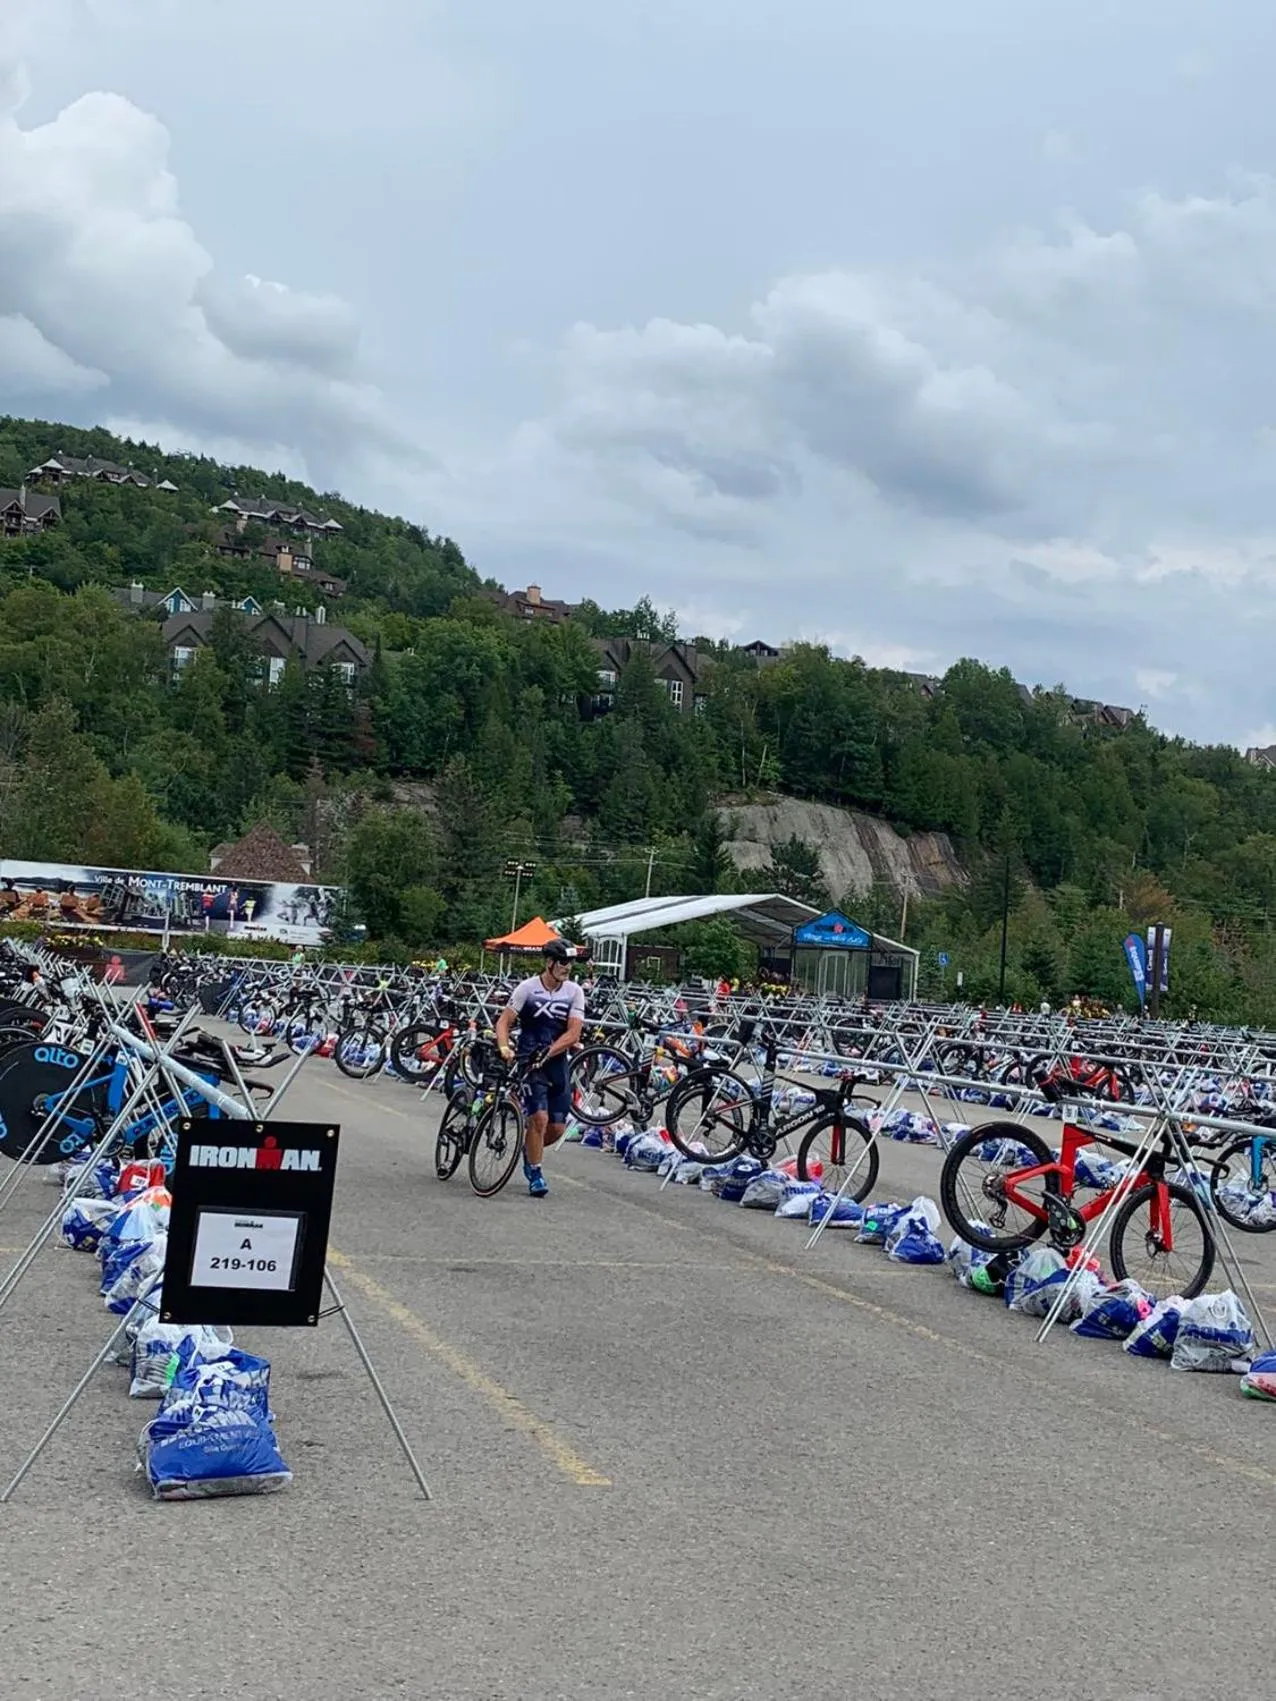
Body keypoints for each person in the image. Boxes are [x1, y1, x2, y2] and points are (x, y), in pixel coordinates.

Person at [494, 940, 586, 1199]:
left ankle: (528, 1149)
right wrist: (504, 1046)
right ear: (550, 962)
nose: (568, 968)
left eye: (571, 963)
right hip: (529, 1060)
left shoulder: (574, 991)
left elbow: (574, 1031)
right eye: (563, 963)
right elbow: (504, 1021)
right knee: (539, 1119)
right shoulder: (527, 988)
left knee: (556, 1128)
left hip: (556, 1061)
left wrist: (552, 1050)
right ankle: (535, 1171)